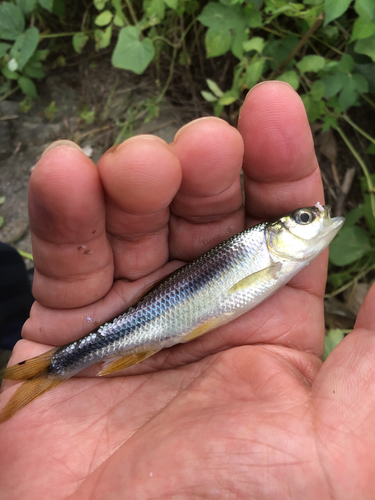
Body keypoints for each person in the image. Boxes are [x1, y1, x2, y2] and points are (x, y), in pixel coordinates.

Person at [0, 81, 374, 499]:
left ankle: (51, 366)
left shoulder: (267, 254)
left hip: (165, 319)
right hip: (160, 320)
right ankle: (52, 366)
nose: (314, 221)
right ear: (277, 236)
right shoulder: (262, 249)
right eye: (305, 218)